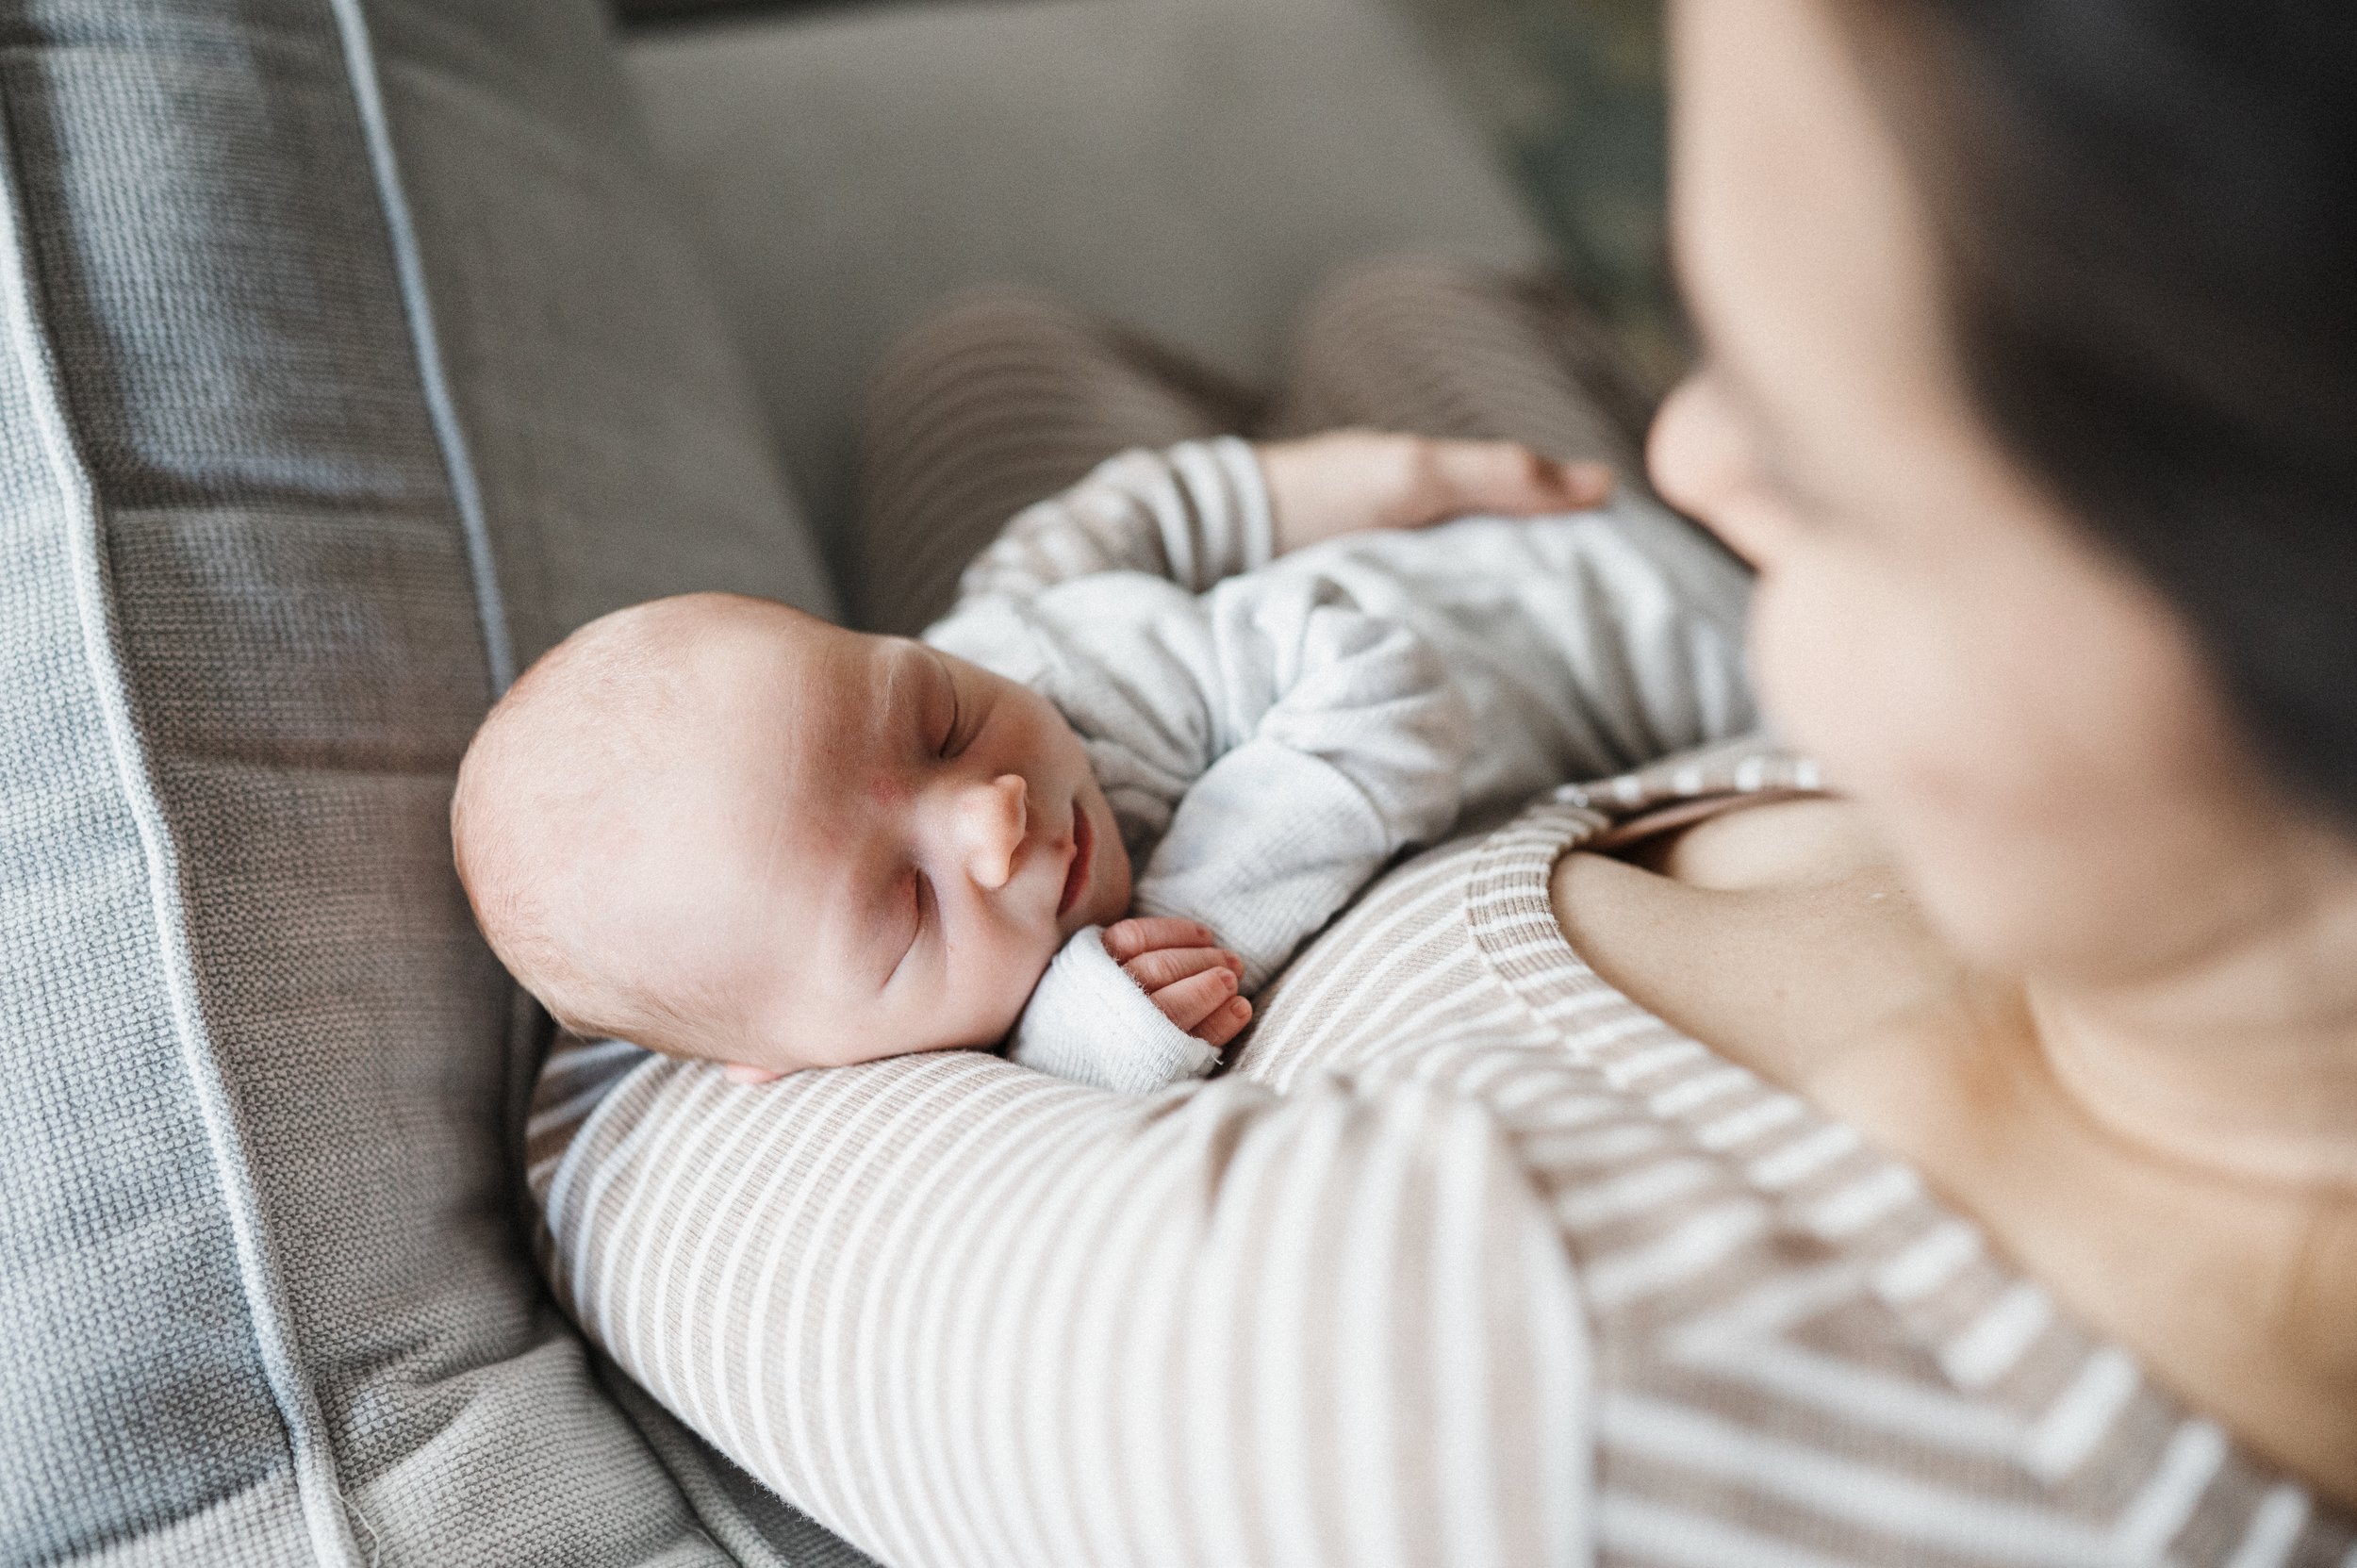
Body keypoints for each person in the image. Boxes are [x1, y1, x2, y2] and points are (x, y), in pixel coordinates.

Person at [528, 1, 2357, 1561]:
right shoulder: (2114, 870)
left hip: (1511, 639)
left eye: (1821, 447)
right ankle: (1389, 353)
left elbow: (627, 1094)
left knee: (1128, 372)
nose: (1694, 443)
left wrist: (1066, 967)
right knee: (1342, 343)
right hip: (1427, 606)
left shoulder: (1504, 1385)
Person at [453, 431, 1749, 1093]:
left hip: (1621, 620)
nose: (992, 819)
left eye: (939, 719)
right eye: (906, 904)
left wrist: (1393, 472)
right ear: (785, 1061)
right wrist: (1084, 1033)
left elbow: (1377, 681)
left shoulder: (1054, 646)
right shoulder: (933, 1068)